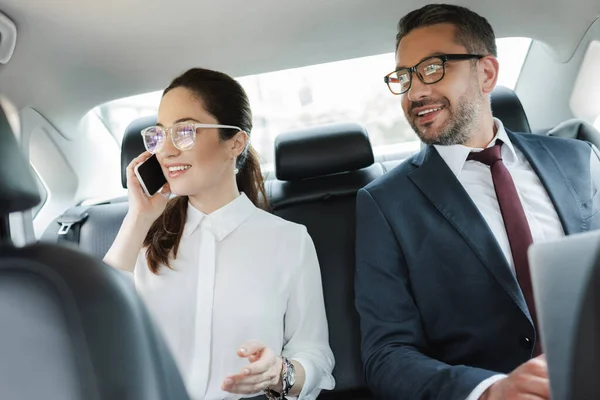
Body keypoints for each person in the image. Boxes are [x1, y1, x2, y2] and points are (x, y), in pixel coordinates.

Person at [354, 4, 600, 400]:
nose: (415, 91)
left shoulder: (579, 159)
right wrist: (491, 391)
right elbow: (386, 355)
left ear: (486, 73)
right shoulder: (385, 204)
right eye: (405, 77)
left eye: (433, 67)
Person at [103, 68, 335, 400]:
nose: (165, 151)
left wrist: (278, 373)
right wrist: (138, 219)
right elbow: (94, 332)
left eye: (184, 131)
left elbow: (316, 357)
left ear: (235, 143)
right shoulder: (142, 239)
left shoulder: (290, 242)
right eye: (158, 134)